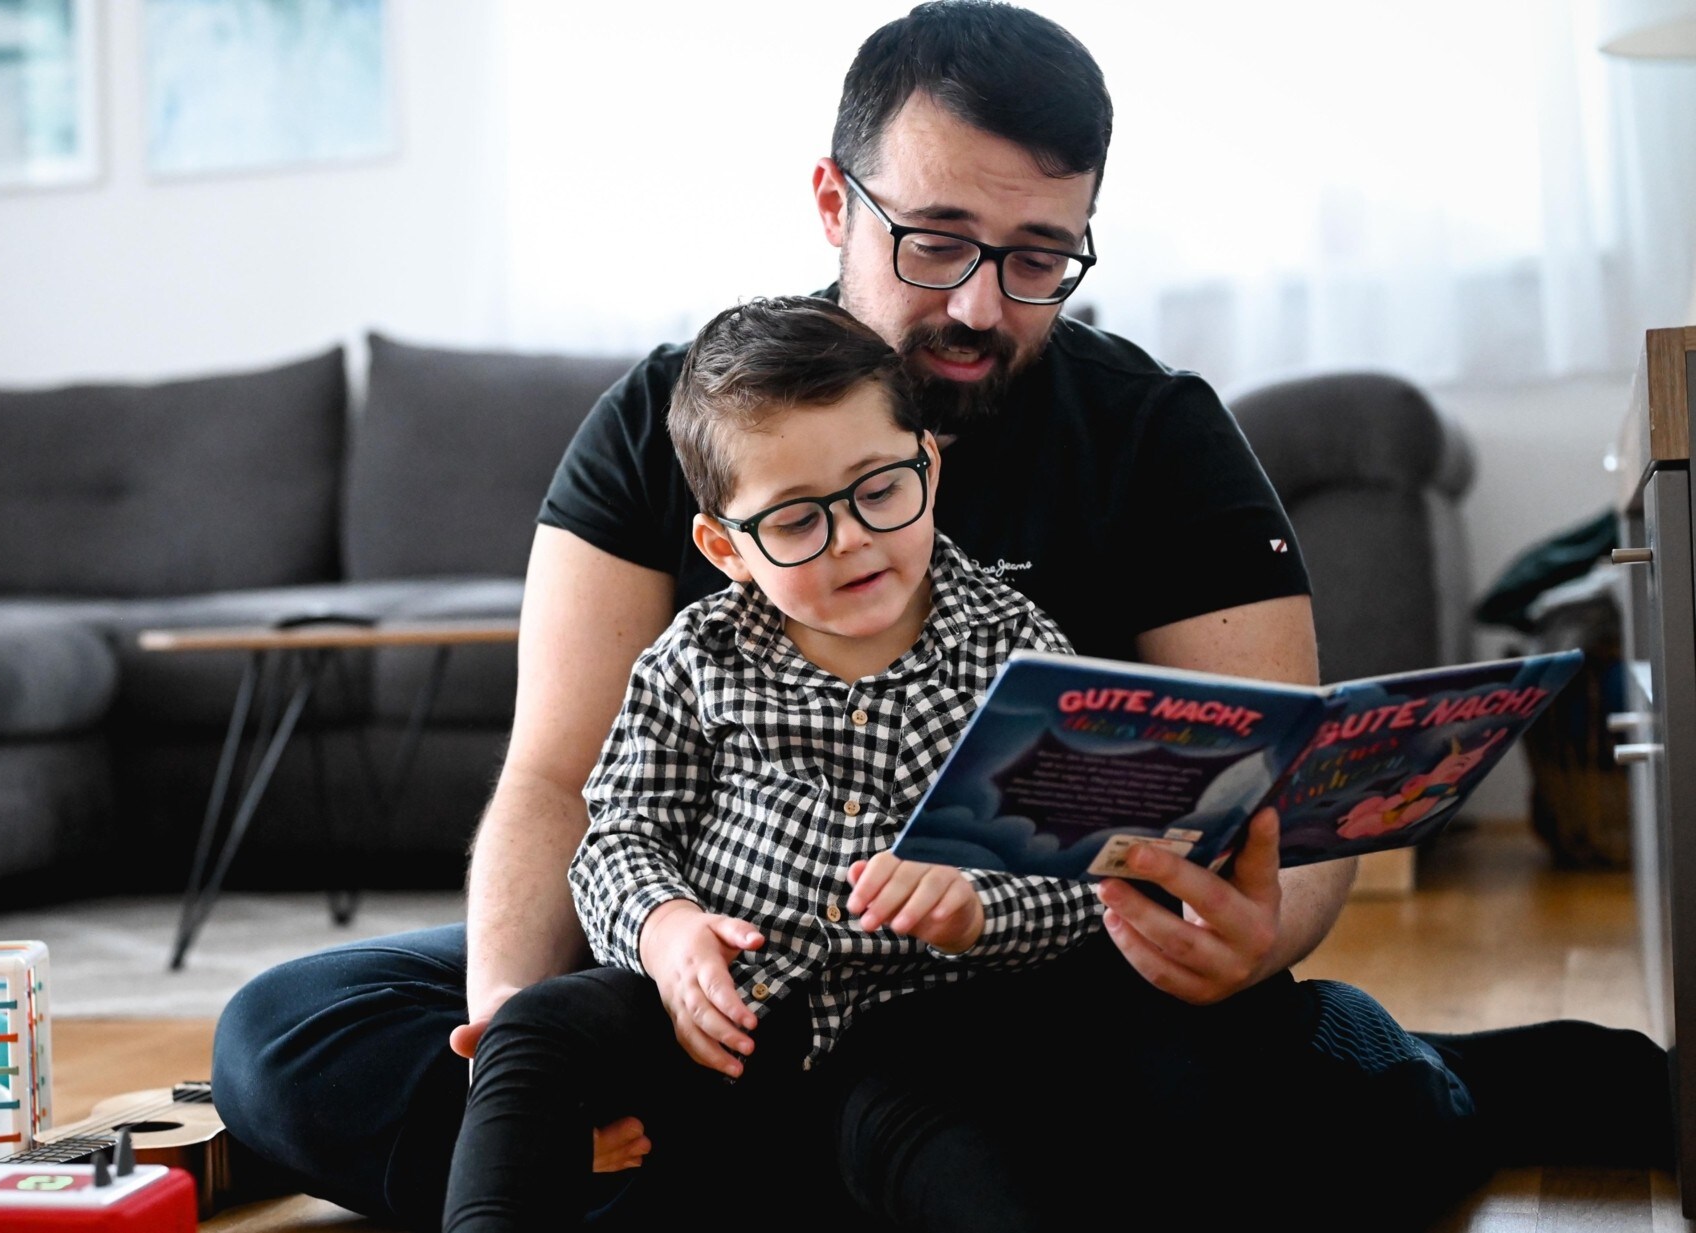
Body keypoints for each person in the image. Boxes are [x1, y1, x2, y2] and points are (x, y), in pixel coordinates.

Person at [213, 4, 1669, 1229]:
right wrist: (528, 1046)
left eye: (1040, 256)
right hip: (717, 986)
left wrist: (1254, 938)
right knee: (287, 1042)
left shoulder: (1155, 437)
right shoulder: (665, 422)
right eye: (938, 240)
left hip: (1021, 1002)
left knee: (1298, 1116)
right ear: (836, 202)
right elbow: (559, 777)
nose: (981, 303)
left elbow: (1280, 804)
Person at [443, 295, 1098, 1231]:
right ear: (725, 548)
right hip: (713, 1020)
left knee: (965, 1143)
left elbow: (1084, 870)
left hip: (915, 1035)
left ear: (931, 465)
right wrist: (665, 933)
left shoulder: (1020, 651)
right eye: (796, 521)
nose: (853, 537)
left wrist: (977, 903)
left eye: (881, 490)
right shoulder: (696, 656)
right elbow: (619, 835)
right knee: (531, 1031)